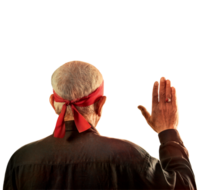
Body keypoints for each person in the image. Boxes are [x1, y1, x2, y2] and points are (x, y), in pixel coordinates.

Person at [1, 61, 197, 190]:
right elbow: (183, 186)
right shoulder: (129, 155)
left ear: (52, 102)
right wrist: (167, 132)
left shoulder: (20, 160)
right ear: (101, 103)